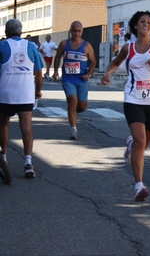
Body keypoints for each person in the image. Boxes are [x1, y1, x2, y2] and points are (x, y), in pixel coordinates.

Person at [101, 11, 150, 202]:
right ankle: (139, 186)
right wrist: (107, 74)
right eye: (142, 22)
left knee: (143, 145)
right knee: (140, 140)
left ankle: (130, 144)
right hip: (133, 99)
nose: (145, 24)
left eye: (149, 22)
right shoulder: (128, 48)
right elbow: (115, 63)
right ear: (135, 26)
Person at [0, 19, 43, 182]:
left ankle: (3, 157)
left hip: (5, 93)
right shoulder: (31, 46)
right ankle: (28, 162)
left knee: (3, 124)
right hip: (25, 94)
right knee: (26, 126)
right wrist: (38, 90)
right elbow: (38, 73)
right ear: (21, 32)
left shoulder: (2, 46)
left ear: (6, 32)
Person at [53, 21, 96, 140]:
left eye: (79, 31)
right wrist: (56, 71)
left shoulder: (87, 46)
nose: (76, 33)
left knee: (81, 106)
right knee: (72, 100)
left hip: (81, 79)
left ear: (82, 32)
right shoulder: (63, 44)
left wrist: (88, 74)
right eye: (74, 31)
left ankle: (72, 111)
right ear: (70, 31)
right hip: (68, 78)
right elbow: (57, 58)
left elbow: (93, 62)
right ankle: (73, 129)